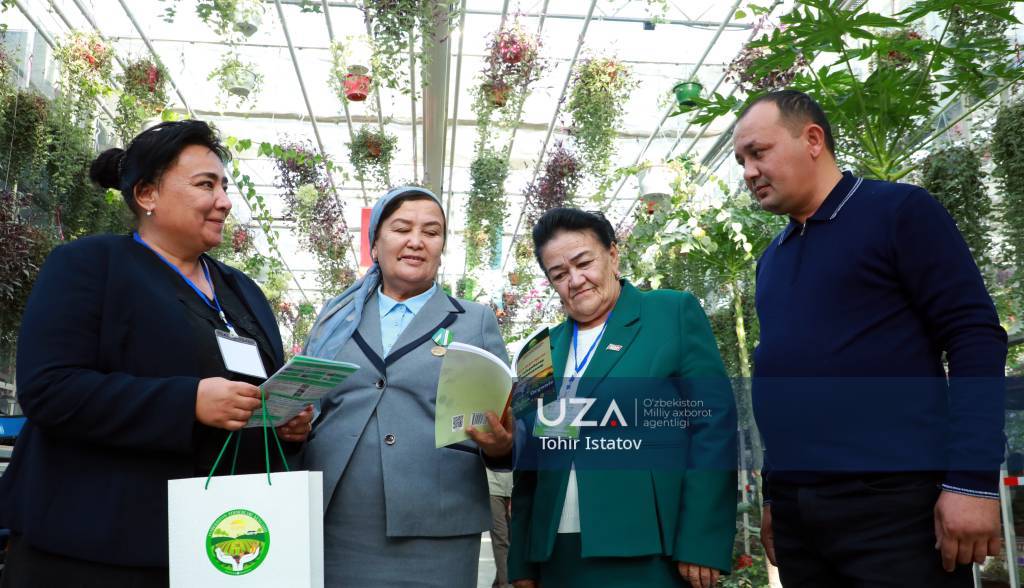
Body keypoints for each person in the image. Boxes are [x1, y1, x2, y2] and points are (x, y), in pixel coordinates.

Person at [0, 120, 313, 587]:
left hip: (219, 542)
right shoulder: (90, 266)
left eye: (224, 186)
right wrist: (188, 402)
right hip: (97, 548)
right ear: (147, 194)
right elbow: (50, 390)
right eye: (205, 185)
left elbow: (257, 391)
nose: (224, 201)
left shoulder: (241, 290)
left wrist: (285, 424)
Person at [735, 90, 1007, 587]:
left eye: (758, 152)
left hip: (895, 509)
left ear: (812, 139)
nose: (749, 172)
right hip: (800, 517)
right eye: (741, 162)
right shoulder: (772, 259)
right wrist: (775, 495)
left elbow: (974, 336)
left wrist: (972, 480)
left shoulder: (899, 212)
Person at [508, 208, 737, 588]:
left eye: (584, 263)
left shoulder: (670, 313)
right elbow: (532, 459)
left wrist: (701, 539)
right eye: (559, 274)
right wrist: (521, 561)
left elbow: (713, 426)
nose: (575, 280)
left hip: (647, 547)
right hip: (556, 553)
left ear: (612, 255)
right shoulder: (541, 350)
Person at [301, 186, 514, 587]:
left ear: (441, 248)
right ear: (375, 244)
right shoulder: (336, 318)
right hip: (337, 522)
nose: (416, 241)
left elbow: (502, 422)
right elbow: (308, 407)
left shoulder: (474, 321)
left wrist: (501, 445)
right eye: (401, 229)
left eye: (431, 232)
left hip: (438, 527)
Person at [488, 469, 513, 588]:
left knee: (513, 541)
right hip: (492, 489)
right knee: (501, 539)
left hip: (512, 489)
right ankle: (506, 584)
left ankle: (499, 583)